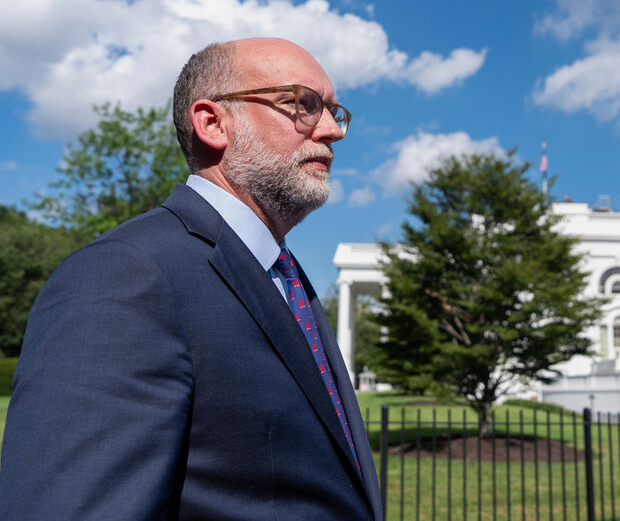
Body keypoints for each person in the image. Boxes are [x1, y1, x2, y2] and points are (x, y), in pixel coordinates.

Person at [0, 38, 382, 520]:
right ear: (212, 123)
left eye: (333, 110)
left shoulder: (287, 279)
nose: (331, 130)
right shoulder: (125, 275)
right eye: (301, 104)